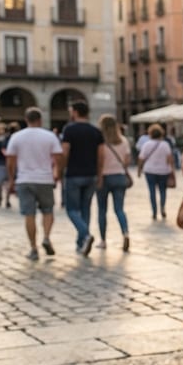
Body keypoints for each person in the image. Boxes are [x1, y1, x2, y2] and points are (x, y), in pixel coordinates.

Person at [5, 107, 64, 260]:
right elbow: (58, 157)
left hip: (24, 179)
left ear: (26, 120)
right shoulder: (49, 136)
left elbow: (10, 161)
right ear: (40, 120)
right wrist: (57, 173)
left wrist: (11, 179)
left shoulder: (17, 137)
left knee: (29, 214)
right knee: (48, 210)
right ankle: (46, 237)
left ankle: (33, 248)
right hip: (44, 178)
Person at [62, 100, 105, 255]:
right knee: (86, 209)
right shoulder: (96, 132)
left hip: (74, 174)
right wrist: (99, 175)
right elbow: (101, 156)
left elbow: (65, 152)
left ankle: (85, 235)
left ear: (75, 112)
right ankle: (81, 244)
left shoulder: (69, 130)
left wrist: (61, 170)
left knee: (72, 209)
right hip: (91, 175)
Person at [94, 115, 131, 252]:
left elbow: (100, 161)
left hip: (104, 177)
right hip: (120, 177)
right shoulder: (123, 141)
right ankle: (125, 233)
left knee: (102, 210)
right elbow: (127, 161)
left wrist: (99, 177)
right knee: (119, 209)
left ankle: (103, 240)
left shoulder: (101, 142)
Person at [137, 124, 175, 220]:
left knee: (152, 191)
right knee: (163, 190)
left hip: (149, 171)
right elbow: (170, 159)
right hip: (163, 171)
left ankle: (154, 212)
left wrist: (139, 170)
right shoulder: (165, 144)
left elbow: (141, 158)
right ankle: (162, 208)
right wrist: (172, 171)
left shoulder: (147, 145)